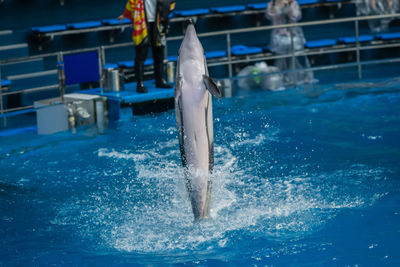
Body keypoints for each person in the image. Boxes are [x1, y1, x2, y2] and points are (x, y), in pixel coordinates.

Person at [119, 0, 175, 93]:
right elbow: (131, 4)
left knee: (159, 54)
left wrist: (166, 14)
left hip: (158, 23)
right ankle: (140, 84)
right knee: (141, 55)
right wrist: (125, 14)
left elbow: (171, 3)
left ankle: (160, 80)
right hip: (142, 24)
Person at [265, 0, 314, 85]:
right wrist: (279, 8)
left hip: (294, 35)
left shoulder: (294, 3)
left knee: (299, 56)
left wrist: (289, 7)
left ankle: (305, 78)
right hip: (279, 37)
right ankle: (282, 80)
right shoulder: (271, 4)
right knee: (281, 59)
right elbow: (270, 16)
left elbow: (296, 16)